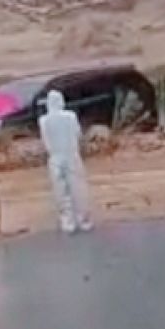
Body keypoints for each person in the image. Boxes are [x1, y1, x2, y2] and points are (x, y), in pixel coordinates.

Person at [39, 90, 94, 235]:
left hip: (55, 158)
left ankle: (67, 222)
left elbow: (45, 142)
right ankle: (84, 220)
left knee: (61, 191)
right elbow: (78, 135)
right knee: (78, 188)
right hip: (72, 155)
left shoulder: (43, 120)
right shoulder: (71, 116)